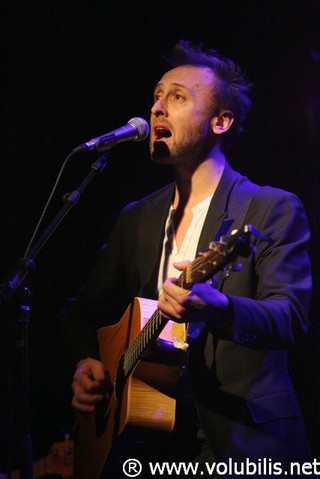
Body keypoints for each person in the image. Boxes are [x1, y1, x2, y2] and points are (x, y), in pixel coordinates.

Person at [69, 40, 313, 478]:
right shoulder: (137, 218)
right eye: (157, 96)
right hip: (155, 443)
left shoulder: (270, 208)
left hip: (248, 441)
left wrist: (222, 308)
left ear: (221, 121)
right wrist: (88, 361)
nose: (158, 108)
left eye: (178, 97)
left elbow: (291, 317)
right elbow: (84, 311)